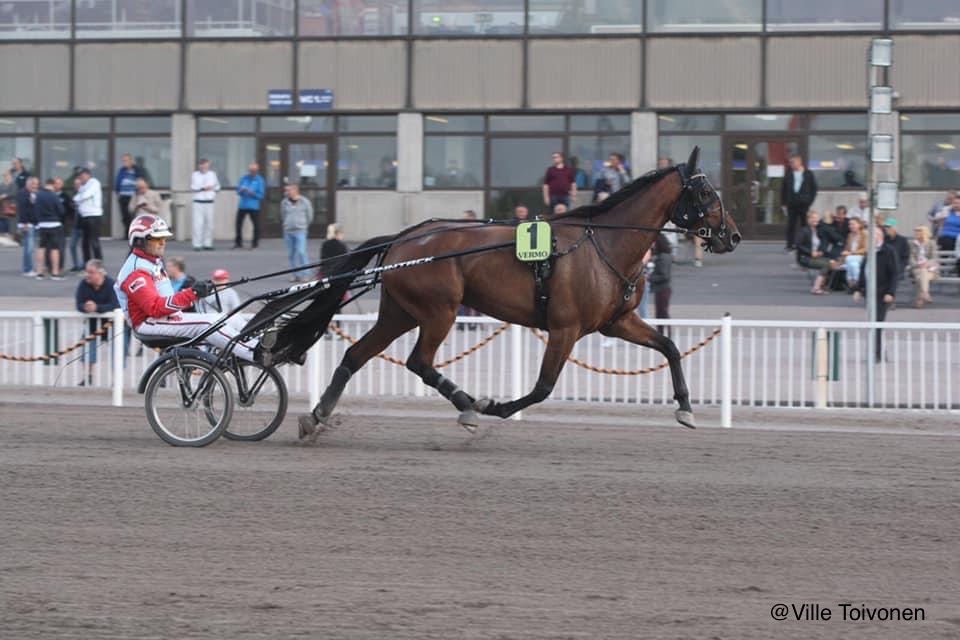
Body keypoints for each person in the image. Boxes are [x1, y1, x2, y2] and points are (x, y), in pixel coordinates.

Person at [115, 214, 272, 364]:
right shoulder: (136, 273)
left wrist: (196, 294)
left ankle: (265, 345)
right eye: (157, 238)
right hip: (149, 324)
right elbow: (155, 308)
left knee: (228, 318)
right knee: (209, 323)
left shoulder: (151, 261)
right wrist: (192, 293)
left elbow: (166, 298)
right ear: (140, 241)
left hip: (166, 319)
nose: (163, 242)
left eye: (163, 238)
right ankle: (253, 352)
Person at [853, 227, 899, 363]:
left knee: (877, 322)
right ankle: (877, 351)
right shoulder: (870, 251)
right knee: (872, 322)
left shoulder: (888, 251)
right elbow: (864, 271)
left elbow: (894, 273)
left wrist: (891, 292)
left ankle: (877, 354)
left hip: (882, 292)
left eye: (873, 235)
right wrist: (859, 289)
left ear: (879, 236)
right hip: (870, 293)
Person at [75, 259, 119, 386]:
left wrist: (97, 308)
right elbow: (78, 304)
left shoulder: (112, 285)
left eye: (91, 272)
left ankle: (116, 379)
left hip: (113, 325)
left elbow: (116, 305)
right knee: (87, 348)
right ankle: (88, 377)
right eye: (87, 272)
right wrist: (85, 307)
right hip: (93, 325)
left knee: (118, 351)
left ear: (100, 273)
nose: (87, 275)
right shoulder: (83, 284)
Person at [795, 210, 842, 295]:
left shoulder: (819, 230)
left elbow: (832, 236)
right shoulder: (804, 231)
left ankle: (822, 285)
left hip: (817, 256)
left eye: (817, 218)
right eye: (813, 218)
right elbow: (798, 245)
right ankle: (816, 288)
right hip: (805, 257)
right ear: (808, 219)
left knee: (833, 262)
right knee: (826, 265)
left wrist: (820, 252)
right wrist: (810, 252)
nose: (815, 220)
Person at [780, 154, 817, 251]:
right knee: (791, 224)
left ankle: (804, 244)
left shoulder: (808, 174)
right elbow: (783, 189)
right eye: (790, 162)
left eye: (793, 162)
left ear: (799, 162)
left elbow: (814, 189)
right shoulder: (789, 174)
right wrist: (783, 203)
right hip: (792, 203)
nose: (791, 164)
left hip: (804, 203)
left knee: (804, 225)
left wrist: (810, 201)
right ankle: (790, 245)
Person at [33, 178, 65, 280]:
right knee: (54, 249)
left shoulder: (38, 195)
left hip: (42, 224)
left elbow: (35, 210)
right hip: (54, 224)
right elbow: (61, 211)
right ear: (52, 185)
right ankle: (55, 273)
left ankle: (39, 272)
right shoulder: (54, 196)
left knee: (41, 248)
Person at [281, 183, 314, 282]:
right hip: (288, 231)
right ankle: (296, 274)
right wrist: (286, 224)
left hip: (300, 230)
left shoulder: (304, 202)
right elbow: (283, 215)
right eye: (287, 190)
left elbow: (310, 215)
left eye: (289, 190)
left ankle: (306, 274)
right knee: (291, 254)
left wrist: (303, 225)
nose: (287, 192)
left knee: (301, 252)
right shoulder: (284, 202)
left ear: (295, 190)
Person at [73, 168, 103, 263]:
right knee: (84, 243)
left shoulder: (94, 182)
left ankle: (98, 265)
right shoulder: (83, 186)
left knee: (94, 242)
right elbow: (79, 198)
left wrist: (76, 198)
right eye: (79, 175)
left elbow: (86, 195)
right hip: (84, 216)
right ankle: (87, 265)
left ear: (88, 175)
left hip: (93, 216)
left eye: (82, 175)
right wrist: (78, 193)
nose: (80, 177)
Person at [190, 158, 220, 251]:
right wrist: (203, 188)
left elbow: (217, 186)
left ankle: (208, 243)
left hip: (209, 201)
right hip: (198, 201)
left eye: (205, 165)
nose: (204, 167)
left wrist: (213, 190)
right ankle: (197, 244)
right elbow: (193, 187)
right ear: (199, 166)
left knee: (209, 224)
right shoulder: (195, 175)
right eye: (202, 165)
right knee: (198, 224)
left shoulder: (212, 174)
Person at [234, 162, 264, 249]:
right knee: (238, 224)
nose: (252, 172)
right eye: (251, 170)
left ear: (257, 171)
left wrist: (252, 193)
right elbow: (238, 191)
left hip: (254, 206)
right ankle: (238, 243)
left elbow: (261, 195)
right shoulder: (244, 178)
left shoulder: (260, 180)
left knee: (256, 225)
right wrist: (242, 190)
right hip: (243, 205)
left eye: (254, 170)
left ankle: (255, 243)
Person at [909, 225, 939, 308]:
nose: (916, 233)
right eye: (916, 231)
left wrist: (926, 264)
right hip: (916, 268)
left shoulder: (931, 243)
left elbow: (934, 258)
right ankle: (925, 293)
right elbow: (911, 258)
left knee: (921, 275)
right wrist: (918, 264)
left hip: (930, 269)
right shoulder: (912, 244)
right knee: (922, 272)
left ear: (924, 233)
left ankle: (920, 298)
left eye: (918, 231)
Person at [648, 235, 673, 335]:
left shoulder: (663, 257)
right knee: (661, 312)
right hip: (661, 289)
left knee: (662, 312)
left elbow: (664, 275)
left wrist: (650, 278)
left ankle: (664, 333)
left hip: (663, 288)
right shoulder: (663, 256)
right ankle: (662, 333)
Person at [16, 176, 37, 276]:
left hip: (29, 223)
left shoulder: (28, 193)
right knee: (29, 248)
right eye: (32, 184)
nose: (34, 186)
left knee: (28, 248)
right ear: (28, 184)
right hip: (27, 224)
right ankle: (28, 269)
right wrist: (24, 224)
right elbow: (23, 209)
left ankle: (26, 268)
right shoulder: (23, 193)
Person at [114, 153, 141, 231]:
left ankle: (133, 232)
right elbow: (118, 181)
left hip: (133, 196)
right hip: (123, 196)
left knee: (132, 215)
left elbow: (140, 180)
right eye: (123, 161)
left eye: (126, 160)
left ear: (131, 161)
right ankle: (127, 232)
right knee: (124, 215)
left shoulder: (136, 170)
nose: (124, 162)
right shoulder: (122, 170)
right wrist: (117, 192)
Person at [841, 217, 868, 289]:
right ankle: (858, 283)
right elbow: (847, 248)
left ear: (859, 225)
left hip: (862, 256)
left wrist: (852, 253)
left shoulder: (864, 234)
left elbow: (866, 249)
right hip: (852, 259)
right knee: (854, 265)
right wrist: (844, 254)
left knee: (849, 259)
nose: (851, 226)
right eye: (849, 224)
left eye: (853, 224)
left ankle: (850, 281)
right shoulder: (850, 235)